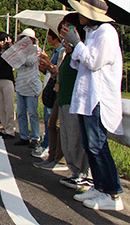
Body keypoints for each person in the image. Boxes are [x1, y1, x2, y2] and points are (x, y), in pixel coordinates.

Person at [62, 0, 124, 211]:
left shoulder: (107, 33)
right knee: (90, 145)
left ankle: (113, 193)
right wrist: (74, 48)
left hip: (98, 98)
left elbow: (94, 62)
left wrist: (78, 44)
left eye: (81, 12)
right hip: (86, 98)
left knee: (98, 145)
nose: (79, 15)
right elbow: (80, 65)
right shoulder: (91, 33)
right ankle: (100, 186)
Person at [54, 14, 92, 192]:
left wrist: (74, 46)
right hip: (63, 99)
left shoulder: (81, 50)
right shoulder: (66, 52)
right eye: (63, 27)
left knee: (75, 139)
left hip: (74, 100)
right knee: (68, 139)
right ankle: (75, 172)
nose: (64, 31)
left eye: (68, 27)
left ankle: (83, 174)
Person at [33, 28, 64, 162]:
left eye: (50, 36)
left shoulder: (61, 51)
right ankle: (48, 147)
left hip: (55, 90)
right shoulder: (56, 52)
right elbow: (50, 72)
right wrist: (43, 67)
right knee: (48, 121)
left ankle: (49, 148)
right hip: (49, 87)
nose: (49, 39)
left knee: (51, 121)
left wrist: (48, 63)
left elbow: (57, 70)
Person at [13, 28, 42, 149]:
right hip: (21, 85)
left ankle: (35, 137)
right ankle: (24, 136)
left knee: (33, 113)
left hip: (32, 86)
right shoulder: (20, 51)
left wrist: (21, 53)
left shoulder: (37, 50)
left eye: (27, 38)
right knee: (20, 113)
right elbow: (14, 63)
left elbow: (30, 61)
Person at [0, 32, 15, 140]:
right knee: (0, 106)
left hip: (8, 81)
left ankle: (10, 130)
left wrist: (10, 46)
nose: (2, 43)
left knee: (9, 106)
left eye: (4, 40)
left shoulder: (11, 52)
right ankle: (5, 128)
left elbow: (14, 62)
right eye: (0, 41)